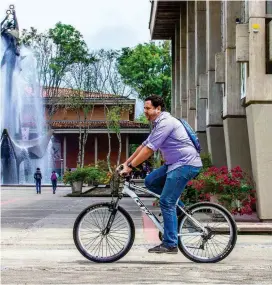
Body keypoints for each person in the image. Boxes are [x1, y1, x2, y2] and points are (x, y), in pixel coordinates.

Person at [120, 95, 202, 254]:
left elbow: (149, 150)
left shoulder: (166, 123)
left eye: (148, 108)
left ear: (158, 109)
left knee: (166, 202)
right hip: (174, 164)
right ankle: (180, 213)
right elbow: (143, 146)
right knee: (151, 181)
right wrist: (126, 163)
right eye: (144, 108)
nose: (145, 111)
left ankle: (170, 243)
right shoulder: (158, 124)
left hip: (185, 164)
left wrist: (130, 167)